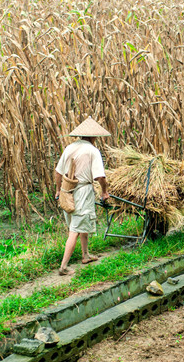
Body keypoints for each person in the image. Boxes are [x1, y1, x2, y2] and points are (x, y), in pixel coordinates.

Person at [54, 117, 110, 276]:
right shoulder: (93, 151)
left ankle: (85, 255)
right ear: (94, 137)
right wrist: (104, 192)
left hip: (67, 191)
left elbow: (58, 172)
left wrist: (58, 191)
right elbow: (100, 177)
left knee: (78, 224)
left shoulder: (69, 148)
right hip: (82, 192)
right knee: (75, 230)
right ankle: (63, 267)